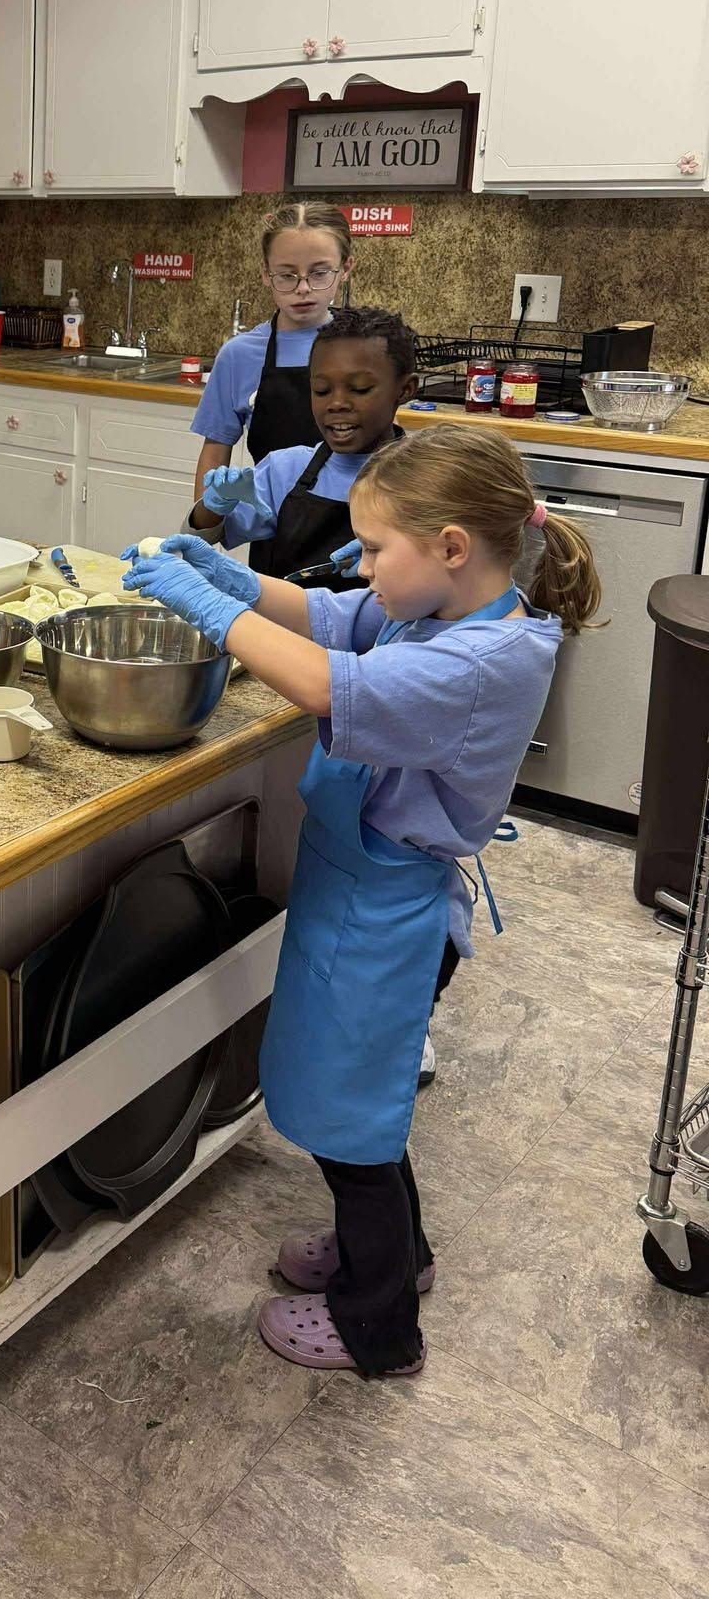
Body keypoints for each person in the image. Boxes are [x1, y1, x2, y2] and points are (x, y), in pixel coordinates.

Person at [125, 422, 601, 1377]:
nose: (366, 567)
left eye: (380, 549)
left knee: (357, 1132)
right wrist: (236, 583)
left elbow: (325, 683)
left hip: (391, 916)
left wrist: (208, 613)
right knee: (366, 1113)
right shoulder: (449, 614)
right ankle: (400, 1259)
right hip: (363, 894)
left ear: (452, 548)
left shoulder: (477, 666)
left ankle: (378, 1327)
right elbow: (335, 620)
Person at [192, 305, 418, 582]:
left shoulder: (429, 480)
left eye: (359, 389)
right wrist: (213, 505)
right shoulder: (285, 471)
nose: (337, 404)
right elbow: (206, 534)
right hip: (277, 624)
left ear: (405, 389)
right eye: (321, 390)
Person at [191, 201, 354, 489]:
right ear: (266, 273)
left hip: (360, 525)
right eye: (287, 275)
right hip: (274, 523)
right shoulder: (238, 355)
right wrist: (203, 525)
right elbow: (215, 453)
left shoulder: (365, 346)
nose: (302, 288)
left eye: (319, 273)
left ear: (345, 268)